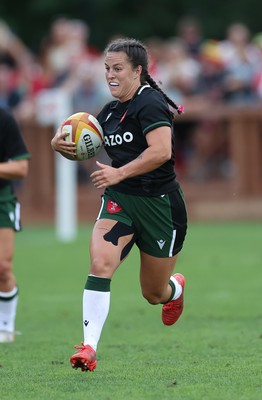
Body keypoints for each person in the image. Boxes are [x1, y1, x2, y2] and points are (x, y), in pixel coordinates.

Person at [51, 37, 187, 372]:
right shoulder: (108, 112)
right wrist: (61, 143)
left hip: (161, 207)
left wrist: (119, 172)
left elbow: (161, 152)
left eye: (118, 69)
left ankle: (175, 289)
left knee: (153, 293)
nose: (110, 75)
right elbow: (84, 143)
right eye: (107, 68)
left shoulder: (150, 103)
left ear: (138, 71)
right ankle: (88, 348)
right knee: (100, 264)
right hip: (121, 202)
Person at [0, 107, 30, 343]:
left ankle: (6, 326)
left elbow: (21, 167)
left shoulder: (4, 118)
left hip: (2, 200)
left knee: (2, 267)